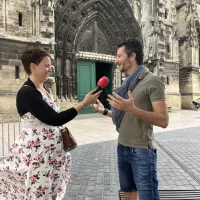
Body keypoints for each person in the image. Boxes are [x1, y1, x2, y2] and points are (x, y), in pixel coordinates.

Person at [0, 48, 101, 200]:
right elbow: (55, 119)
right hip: (37, 154)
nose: (50, 69)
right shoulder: (27, 92)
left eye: (50, 65)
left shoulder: (44, 88)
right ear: (33, 67)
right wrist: (84, 103)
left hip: (52, 152)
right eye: (46, 65)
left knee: (53, 189)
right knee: (38, 192)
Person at [91, 39, 169, 200]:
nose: (116, 60)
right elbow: (127, 116)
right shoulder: (127, 83)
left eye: (119, 56)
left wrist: (132, 109)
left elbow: (163, 120)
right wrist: (104, 111)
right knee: (128, 194)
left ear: (132, 56)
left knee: (149, 197)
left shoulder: (152, 81)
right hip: (122, 147)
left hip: (141, 151)